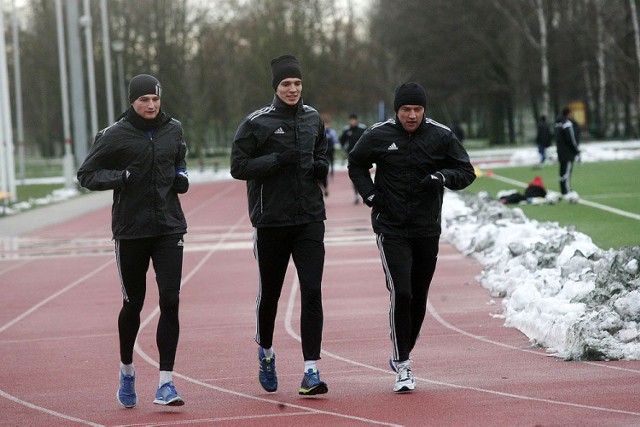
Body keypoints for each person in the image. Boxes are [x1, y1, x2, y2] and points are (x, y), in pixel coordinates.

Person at [348, 82, 476, 393]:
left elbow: (466, 171)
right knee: (401, 292)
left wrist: (441, 177)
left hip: (425, 228)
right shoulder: (378, 135)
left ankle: (403, 345)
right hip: (390, 227)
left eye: (417, 109)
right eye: (406, 109)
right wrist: (370, 195)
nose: (412, 115)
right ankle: (402, 364)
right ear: (396, 111)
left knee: (418, 296)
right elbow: (356, 164)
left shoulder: (441, 135)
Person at [77, 74, 188, 408]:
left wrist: (181, 175)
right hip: (131, 231)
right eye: (144, 100)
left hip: (169, 227)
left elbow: (179, 157)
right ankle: (127, 370)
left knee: (170, 300)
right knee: (134, 304)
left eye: (155, 99)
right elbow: (86, 174)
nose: (151, 105)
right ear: (132, 101)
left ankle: (166, 383)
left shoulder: (174, 129)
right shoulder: (113, 136)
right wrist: (120, 178)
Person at [230, 54, 329, 396]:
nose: (292, 89)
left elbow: (323, 152)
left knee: (312, 291)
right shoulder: (257, 122)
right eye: (286, 84)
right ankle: (267, 353)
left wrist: (320, 166)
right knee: (269, 294)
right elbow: (238, 166)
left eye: (297, 84)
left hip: (310, 219)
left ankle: (311, 370)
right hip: (271, 221)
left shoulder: (313, 118)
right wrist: (274, 160)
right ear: (276, 87)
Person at [340, 113, 367, 203]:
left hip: (363, 155)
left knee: (364, 175)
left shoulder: (362, 129)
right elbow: (341, 140)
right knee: (355, 176)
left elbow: (369, 139)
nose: (353, 122)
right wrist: (345, 148)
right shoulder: (347, 130)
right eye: (351, 120)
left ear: (357, 120)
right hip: (352, 157)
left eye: (354, 120)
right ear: (349, 121)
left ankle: (365, 193)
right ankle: (356, 195)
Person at [554, 107, 580, 198]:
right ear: (568, 114)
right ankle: (567, 191)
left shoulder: (558, 124)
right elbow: (571, 139)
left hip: (560, 152)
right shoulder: (567, 124)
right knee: (567, 172)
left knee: (562, 172)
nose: (573, 115)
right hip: (568, 152)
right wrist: (576, 150)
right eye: (572, 113)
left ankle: (563, 190)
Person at [321, 112, 339, 196]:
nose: (327, 126)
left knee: (330, 164)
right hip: (322, 153)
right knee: (322, 169)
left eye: (327, 124)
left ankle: (330, 176)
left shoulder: (332, 132)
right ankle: (323, 187)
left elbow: (335, 140)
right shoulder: (320, 132)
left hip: (330, 151)